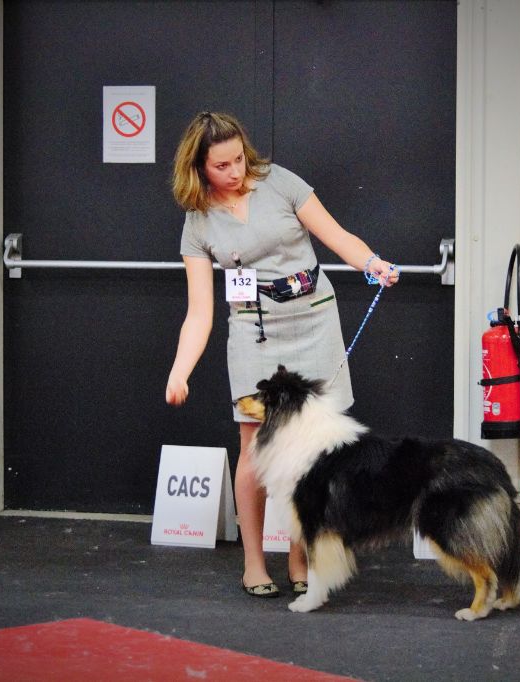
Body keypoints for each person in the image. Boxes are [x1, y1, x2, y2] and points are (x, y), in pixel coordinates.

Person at [165, 112, 398, 598]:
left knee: (312, 448)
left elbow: (338, 238)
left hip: (313, 318)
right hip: (255, 331)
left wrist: (373, 263)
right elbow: (199, 313)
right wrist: (179, 372)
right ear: (199, 169)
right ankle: (255, 563)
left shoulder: (282, 183)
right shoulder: (197, 222)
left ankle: (299, 555)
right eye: (221, 165)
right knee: (253, 448)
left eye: (238, 159)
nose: (235, 171)